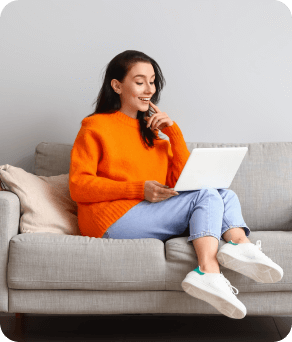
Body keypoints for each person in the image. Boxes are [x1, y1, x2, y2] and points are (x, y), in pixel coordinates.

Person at [69, 50, 283, 320]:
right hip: (110, 220)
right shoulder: (94, 127)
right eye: (140, 81)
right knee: (206, 196)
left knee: (223, 194)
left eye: (153, 81)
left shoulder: (153, 134)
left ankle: (240, 245)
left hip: (148, 211)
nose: (149, 89)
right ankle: (207, 270)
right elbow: (79, 186)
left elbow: (182, 183)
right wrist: (138, 189)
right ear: (117, 85)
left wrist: (174, 132)